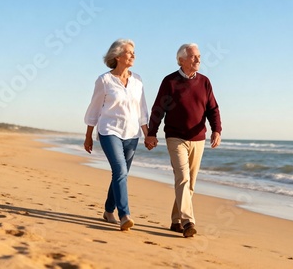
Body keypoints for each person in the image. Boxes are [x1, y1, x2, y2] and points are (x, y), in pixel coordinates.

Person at [145, 43, 222, 238]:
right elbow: (158, 109)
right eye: (193, 57)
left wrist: (216, 130)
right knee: (183, 178)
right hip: (175, 137)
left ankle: (175, 220)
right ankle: (189, 221)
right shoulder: (170, 82)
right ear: (181, 60)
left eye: (199, 56)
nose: (198, 60)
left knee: (190, 182)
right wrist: (151, 133)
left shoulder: (204, 82)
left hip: (198, 138)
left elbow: (212, 108)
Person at [83, 38, 149, 231]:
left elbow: (142, 110)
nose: (133, 55)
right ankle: (124, 215)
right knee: (120, 170)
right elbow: (94, 109)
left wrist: (148, 134)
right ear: (118, 56)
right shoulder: (104, 80)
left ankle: (108, 210)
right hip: (109, 130)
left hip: (132, 133)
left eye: (134, 52)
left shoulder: (137, 80)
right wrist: (88, 135)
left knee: (121, 173)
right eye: (129, 52)